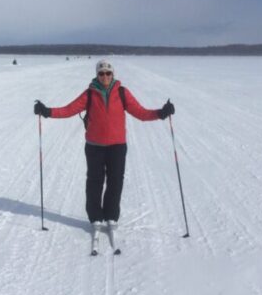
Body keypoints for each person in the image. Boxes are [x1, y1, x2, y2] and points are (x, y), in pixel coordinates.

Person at [34, 59, 175, 230]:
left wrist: (161, 113)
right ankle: (95, 217)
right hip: (94, 146)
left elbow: (141, 113)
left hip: (117, 146)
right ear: (97, 75)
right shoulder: (89, 94)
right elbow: (69, 109)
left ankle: (111, 216)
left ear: (113, 74)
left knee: (115, 181)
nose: (105, 77)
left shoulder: (122, 93)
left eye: (108, 73)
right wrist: (48, 112)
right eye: (101, 73)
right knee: (94, 181)